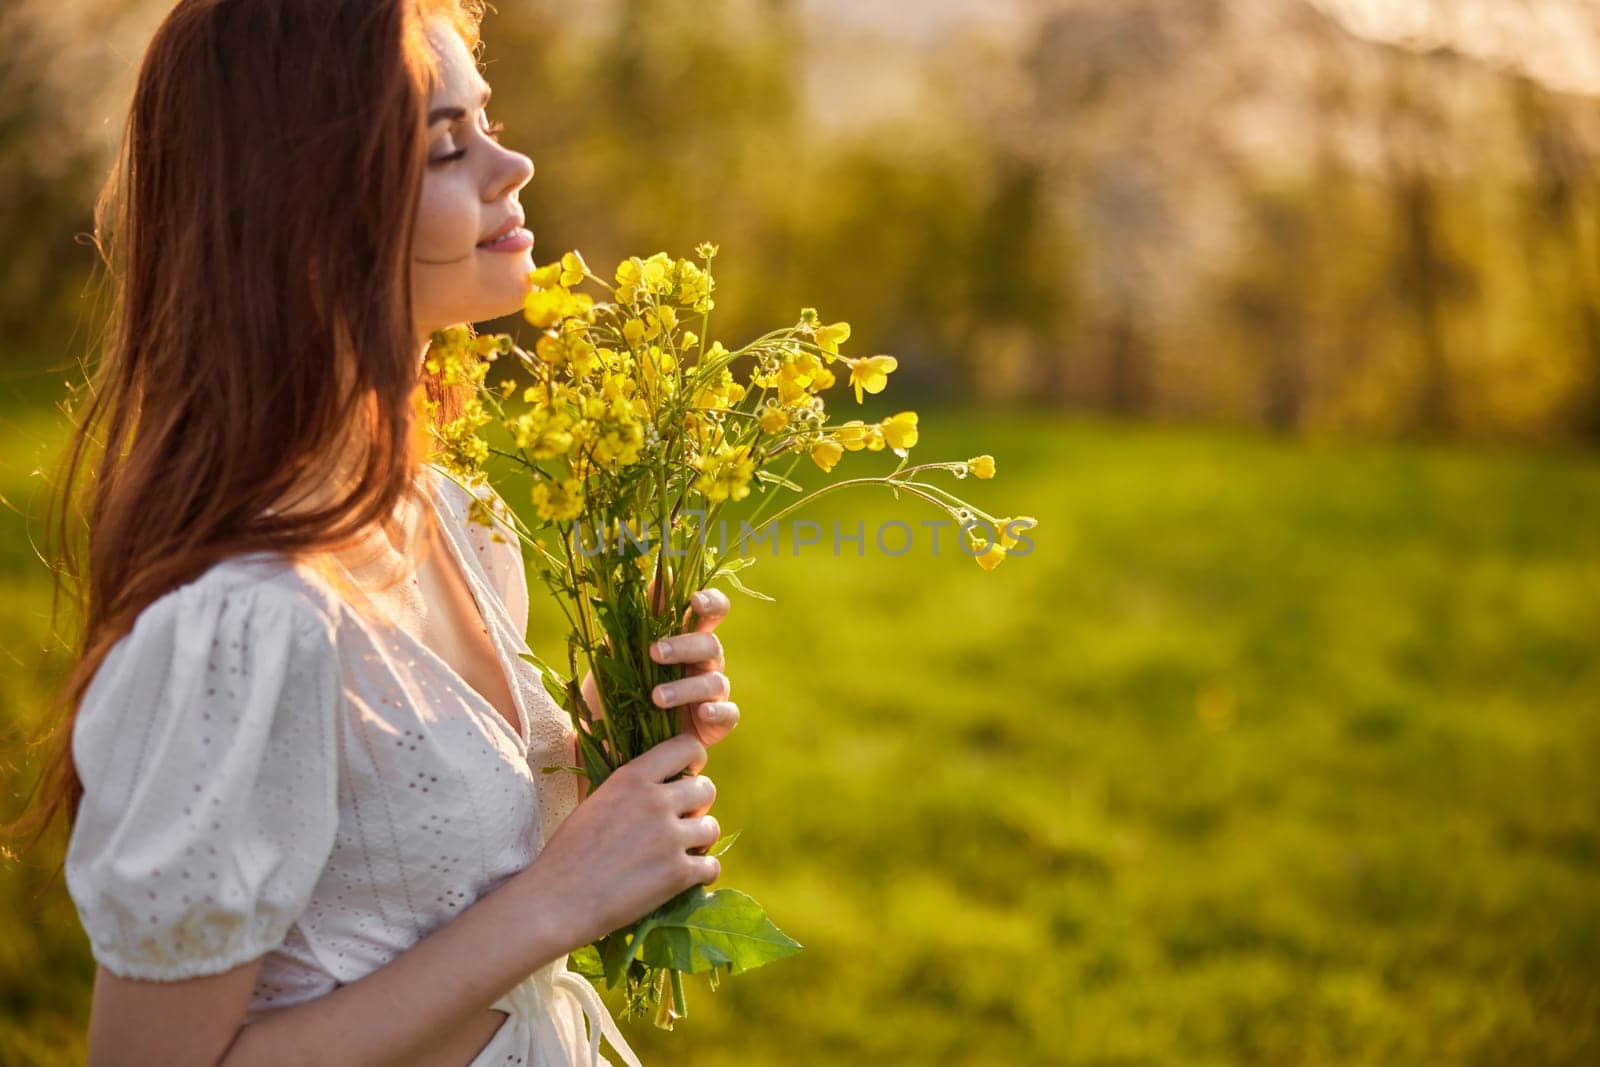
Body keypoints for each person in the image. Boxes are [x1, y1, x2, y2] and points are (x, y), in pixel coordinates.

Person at [8, 1, 742, 1063]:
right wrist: (557, 900)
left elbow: (407, 864)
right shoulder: (244, 628)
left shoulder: (444, 512)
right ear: (307, 212)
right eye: (448, 146)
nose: (514, 163)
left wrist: (610, 737)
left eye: (486, 121)